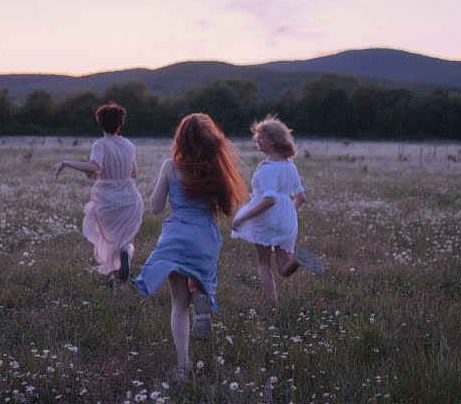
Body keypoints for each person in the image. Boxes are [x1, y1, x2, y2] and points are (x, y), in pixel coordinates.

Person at [132, 113, 247, 381]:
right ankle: (201, 296)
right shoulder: (216, 168)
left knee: (178, 303)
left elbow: (157, 207)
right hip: (205, 237)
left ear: (180, 139)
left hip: (176, 237)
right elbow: (227, 209)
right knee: (197, 277)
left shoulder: (170, 167)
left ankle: (183, 365)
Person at [231, 115, 323, 310]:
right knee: (283, 268)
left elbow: (269, 199)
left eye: (261, 137)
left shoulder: (267, 169)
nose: (257, 140)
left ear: (273, 141)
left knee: (264, 265)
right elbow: (301, 197)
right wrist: (289, 212)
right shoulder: (290, 166)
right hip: (288, 219)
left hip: (267, 219)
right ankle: (297, 259)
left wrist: (243, 217)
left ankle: (273, 307)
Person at [51, 102, 144, 282]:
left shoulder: (100, 144)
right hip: (130, 197)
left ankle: (119, 280)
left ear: (100, 123)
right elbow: (134, 173)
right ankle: (124, 264)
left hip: (107, 199)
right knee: (125, 242)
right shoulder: (129, 145)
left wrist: (66, 163)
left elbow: (95, 166)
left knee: (110, 241)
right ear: (120, 123)